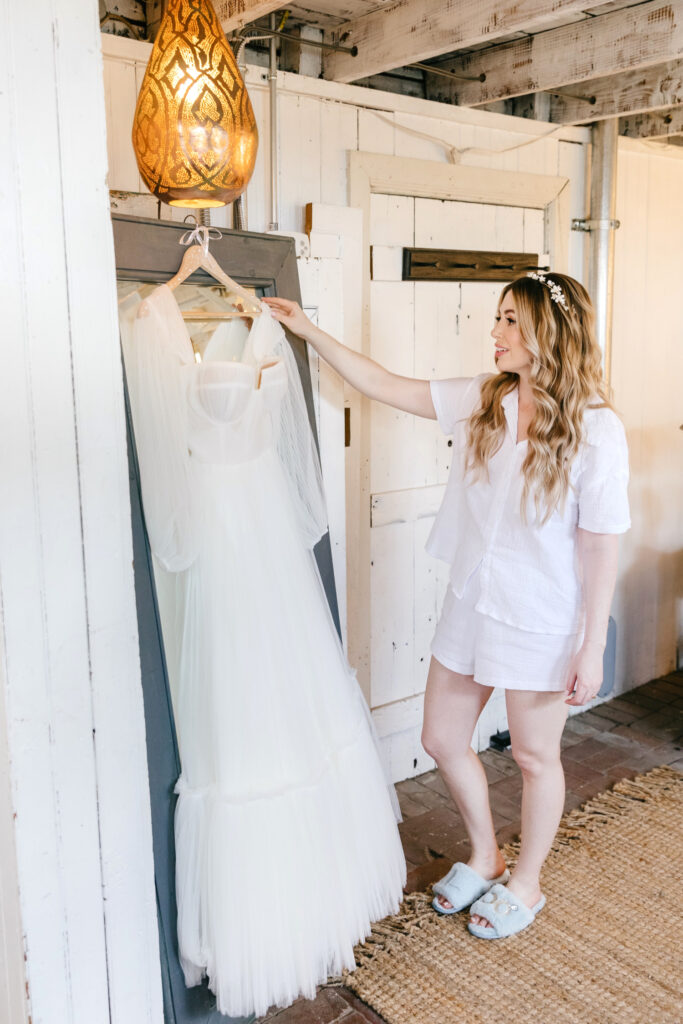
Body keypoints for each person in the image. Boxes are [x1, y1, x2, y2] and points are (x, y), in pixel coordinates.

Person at [263, 270, 630, 940]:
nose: (494, 334)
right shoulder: (482, 400)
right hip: (472, 601)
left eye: (510, 321)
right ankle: (485, 854)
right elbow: (384, 384)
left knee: (532, 757)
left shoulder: (596, 430)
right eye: (497, 319)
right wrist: (308, 330)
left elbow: (601, 544)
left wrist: (591, 645)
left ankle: (527, 881)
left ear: (550, 331)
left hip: (541, 618)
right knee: (440, 737)